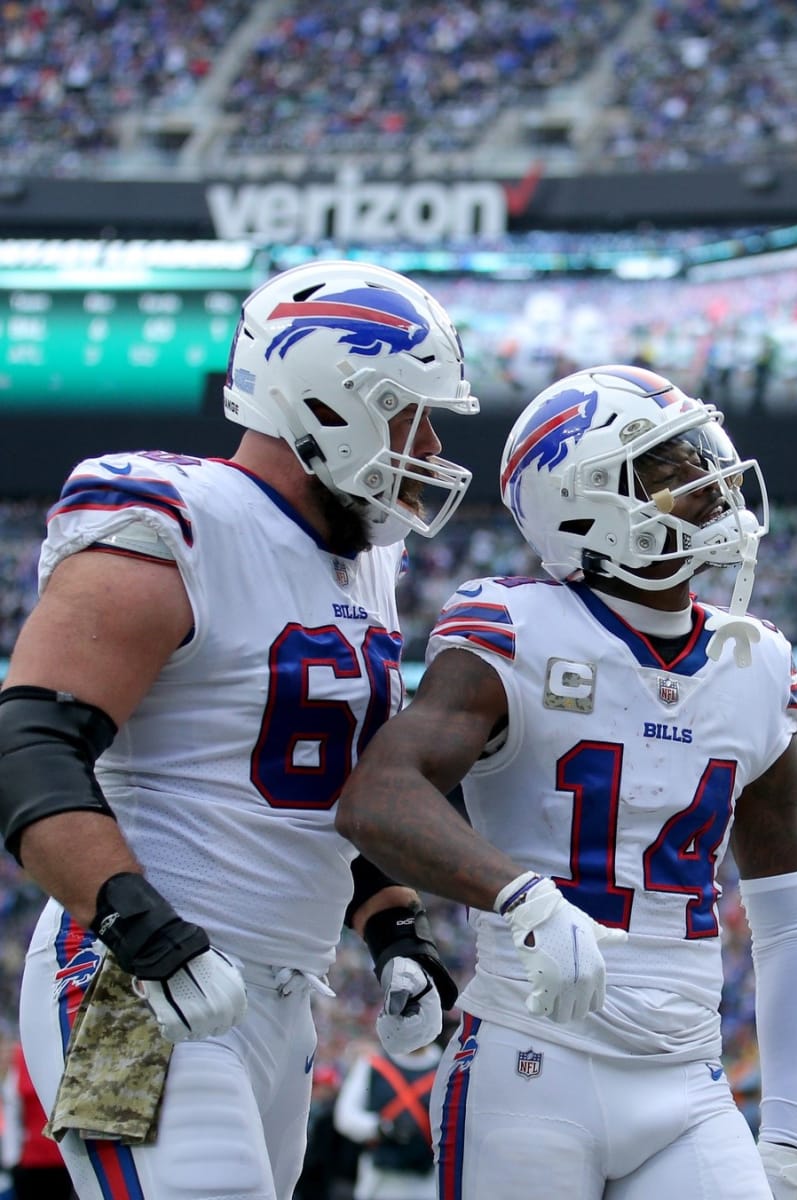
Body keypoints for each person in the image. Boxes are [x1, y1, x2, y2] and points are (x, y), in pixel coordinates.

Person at [0, 260, 480, 1199]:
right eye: (407, 413)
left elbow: (327, 786)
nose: (424, 444)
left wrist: (395, 929)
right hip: (135, 984)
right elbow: (29, 747)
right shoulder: (169, 516)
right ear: (326, 401)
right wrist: (144, 930)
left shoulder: (361, 565)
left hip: (281, 993)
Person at [337, 363, 797, 1199]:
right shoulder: (514, 627)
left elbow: (792, 928)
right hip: (532, 1061)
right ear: (586, 498)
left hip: (688, 1078)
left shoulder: (758, 663)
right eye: (672, 466)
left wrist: (787, 1136)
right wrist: (519, 896)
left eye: (702, 453)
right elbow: (377, 796)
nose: (712, 482)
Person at [333, 1035, 441, 1199]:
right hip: (380, 1180)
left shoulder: (445, 1067)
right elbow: (345, 1117)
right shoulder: (374, 1063)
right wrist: (381, 1127)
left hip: (426, 1183)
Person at [1, 1043, 74, 1200]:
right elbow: (12, 1111)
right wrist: (12, 1158)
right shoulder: (20, 1060)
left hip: (67, 1158)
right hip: (31, 1160)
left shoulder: (65, 1052)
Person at [296, 1062, 358, 1200]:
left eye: (324, 1087)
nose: (317, 1091)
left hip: (329, 1181)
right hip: (309, 1180)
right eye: (316, 1086)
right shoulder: (308, 1110)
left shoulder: (335, 1115)